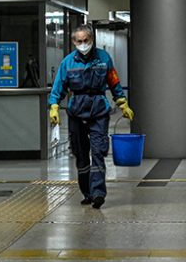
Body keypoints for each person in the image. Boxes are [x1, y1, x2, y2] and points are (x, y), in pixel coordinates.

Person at [49, 24, 134, 209]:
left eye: (86, 40)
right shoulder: (68, 63)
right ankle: (87, 192)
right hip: (76, 112)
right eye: (79, 41)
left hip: (98, 111)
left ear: (92, 39)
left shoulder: (103, 59)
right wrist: (54, 106)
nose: (83, 44)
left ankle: (98, 193)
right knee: (81, 154)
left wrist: (122, 102)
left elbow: (113, 82)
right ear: (73, 42)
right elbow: (58, 87)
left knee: (98, 152)